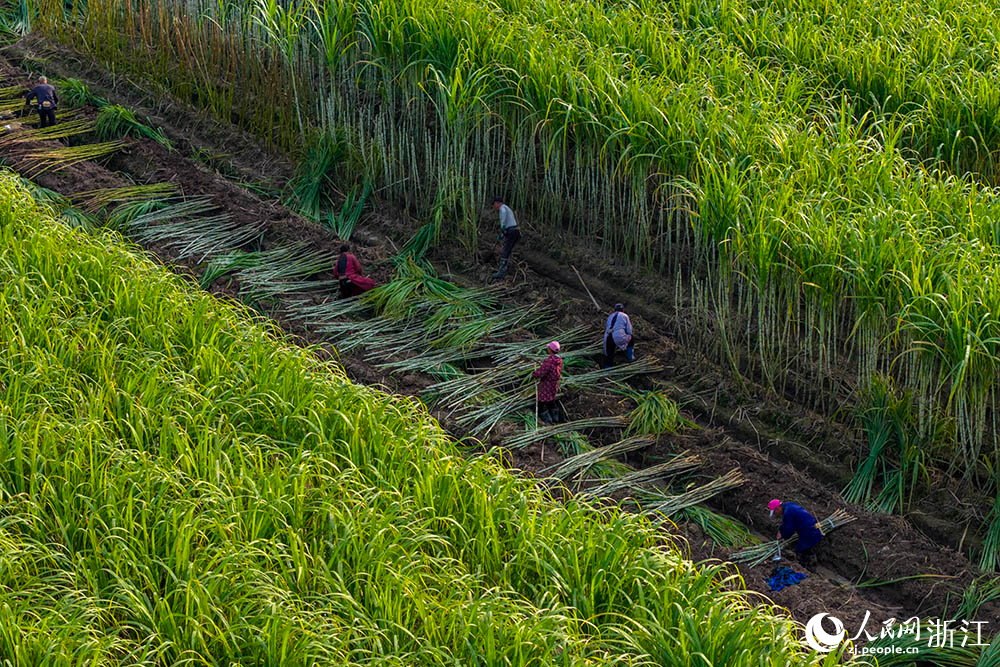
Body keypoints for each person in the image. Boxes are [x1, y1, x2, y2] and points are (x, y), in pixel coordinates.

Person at [769, 498, 824, 569]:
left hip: (809, 530)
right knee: (803, 549)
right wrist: (780, 530)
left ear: (778, 508)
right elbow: (786, 522)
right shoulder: (789, 506)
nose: (775, 514)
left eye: (774, 512)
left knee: (803, 550)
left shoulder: (788, 512)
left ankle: (809, 569)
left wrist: (783, 536)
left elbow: (790, 529)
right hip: (811, 527)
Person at [532, 341, 564, 424]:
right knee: (551, 399)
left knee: (542, 402)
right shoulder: (559, 360)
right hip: (554, 384)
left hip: (546, 384)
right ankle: (556, 418)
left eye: (548, 348)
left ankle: (548, 421)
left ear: (550, 350)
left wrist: (534, 374)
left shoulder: (549, 361)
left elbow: (541, 372)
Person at [489, 196, 520, 280]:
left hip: (512, 231)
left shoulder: (502, 208)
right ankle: (507, 268)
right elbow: (509, 224)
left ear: (497, 203)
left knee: (505, 250)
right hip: (514, 231)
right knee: (508, 250)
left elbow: (504, 220)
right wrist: (503, 234)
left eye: (494, 204)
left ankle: (502, 271)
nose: (494, 206)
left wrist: (502, 227)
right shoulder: (507, 208)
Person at [603, 303, 636, 368]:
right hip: (619, 337)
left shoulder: (610, 316)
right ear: (622, 310)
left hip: (607, 337)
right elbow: (629, 331)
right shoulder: (625, 316)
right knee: (631, 338)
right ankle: (631, 357)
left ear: (615, 310)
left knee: (610, 354)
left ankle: (607, 369)